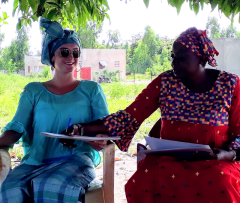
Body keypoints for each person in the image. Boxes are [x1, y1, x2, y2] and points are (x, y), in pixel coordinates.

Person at [62, 27, 240, 203]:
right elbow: (129, 116)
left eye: (182, 58)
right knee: (149, 173)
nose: (174, 63)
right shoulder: (166, 82)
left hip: (216, 164)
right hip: (169, 162)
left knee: (221, 181)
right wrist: (81, 128)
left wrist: (229, 154)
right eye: (173, 57)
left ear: (201, 60)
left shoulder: (230, 85)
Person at [0, 18, 109, 203]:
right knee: (9, 189)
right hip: (36, 161)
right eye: (64, 52)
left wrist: (97, 139)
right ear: (52, 56)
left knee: (50, 185)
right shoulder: (33, 91)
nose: (71, 58)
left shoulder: (91, 89)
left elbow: (104, 125)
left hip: (76, 160)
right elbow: (17, 126)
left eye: (75, 53)